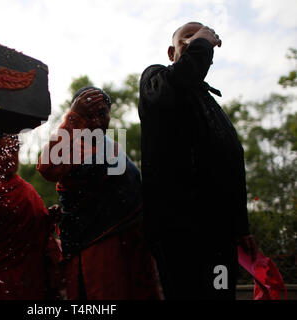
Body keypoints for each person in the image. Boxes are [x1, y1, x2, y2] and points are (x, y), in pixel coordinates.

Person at [138, 22, 257, 300]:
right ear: (172, 52)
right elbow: (176, 84)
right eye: (188, 36)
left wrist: (241, 227)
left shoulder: (209, 102)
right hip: (180, 230)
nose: (194, 40)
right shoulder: (156, 78)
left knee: (220, 293)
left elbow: (231, 161)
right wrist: (203, 41)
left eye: (199, 36)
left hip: (220, 232)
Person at [37, 87, 161, 300]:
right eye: (87, 115)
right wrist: (72, 118)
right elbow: (47, 167)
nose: (95, 122)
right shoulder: (71, 146)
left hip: (133, 250)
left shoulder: (114, 147)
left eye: (101, 114)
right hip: (95, 254)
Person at [0, 131, 61, 300]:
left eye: (14, 151)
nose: (10, 157)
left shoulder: (25, 189)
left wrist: (48, 218)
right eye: (4, 151)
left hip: (30, 282)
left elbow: (35, 231)